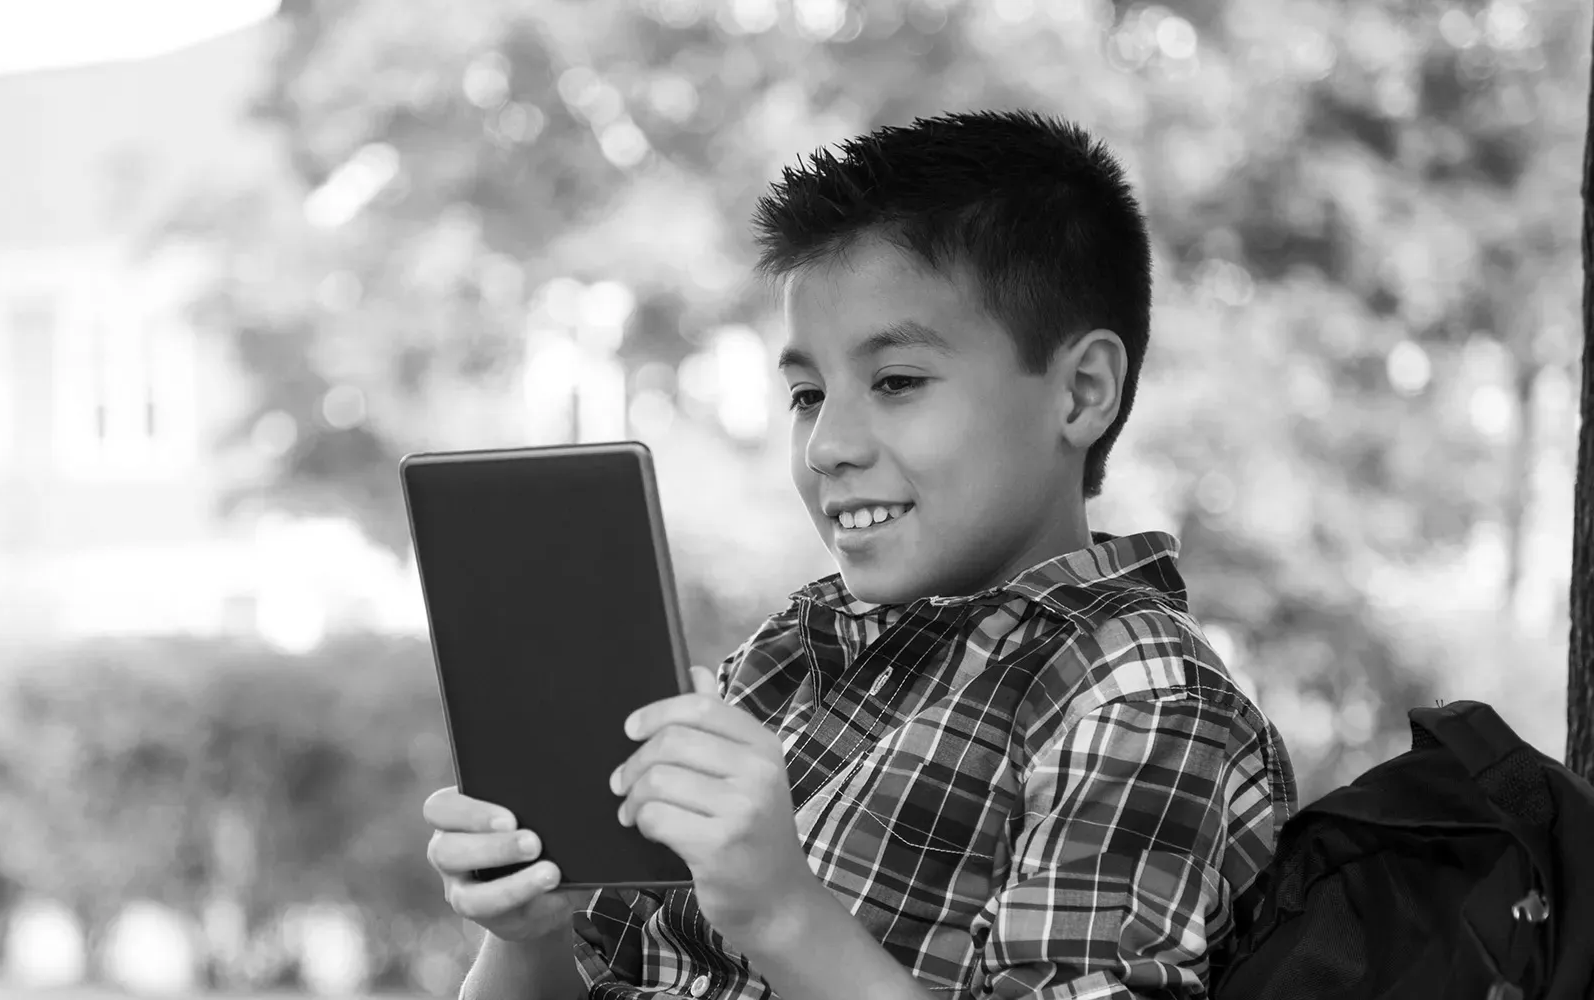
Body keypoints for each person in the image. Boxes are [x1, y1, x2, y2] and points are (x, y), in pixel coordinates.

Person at [422, 110, 1298, 999]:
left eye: (897, 382)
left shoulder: (1140, 704)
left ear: (1080, 391)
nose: (825, 445)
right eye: (807, 393)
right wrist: (530, 937)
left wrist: (781, 914)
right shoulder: (788, 655)